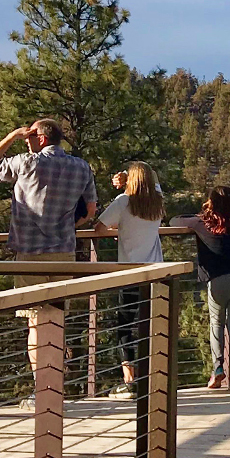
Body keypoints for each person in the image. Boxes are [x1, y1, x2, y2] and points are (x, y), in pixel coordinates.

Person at [0, 118, 97, 274]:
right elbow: (90, 210)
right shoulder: (82, 166)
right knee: (60, 297)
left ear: (41, 139)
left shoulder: (26, 162)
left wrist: (12, 136)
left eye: (29, 136)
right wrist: (66, 227)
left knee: (30, 298)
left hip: (30, 251)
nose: (26, 140)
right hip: (65, 251)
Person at [172, 186, 230, 391]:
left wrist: (198, 215)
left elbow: (174, 221)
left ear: (210, 203)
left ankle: (218, 368)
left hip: (217, 280)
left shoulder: (201, 223)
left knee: (216, 324)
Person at [94, 161, 165, 398]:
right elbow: (152, 176)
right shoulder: (157, 199)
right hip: (155, 272)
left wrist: (120, 232)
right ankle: (152, 377)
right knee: (149, 326)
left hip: (130, 272)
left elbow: (99, 228)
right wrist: (127, 176)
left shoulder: (123, 202)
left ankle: (130, 379)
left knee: (124, 326)